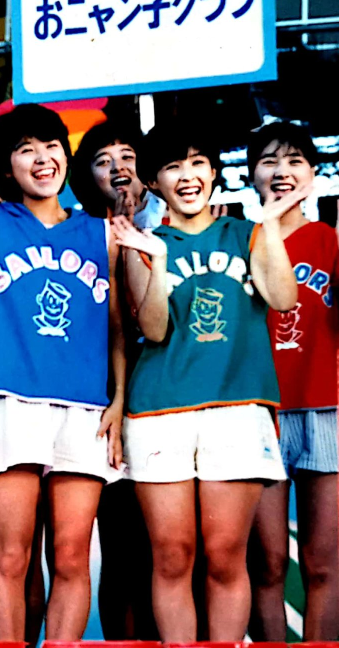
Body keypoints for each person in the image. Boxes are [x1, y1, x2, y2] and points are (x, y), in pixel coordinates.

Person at [0, 104, 125, 641]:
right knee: (9, 555)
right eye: (25, 150)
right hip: (8, 400)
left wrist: (120, 399)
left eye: (52, 145)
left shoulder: (101, 233)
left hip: (84, 405)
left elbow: (116, 328)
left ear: (67, 153)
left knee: (72, 558)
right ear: (7, 167)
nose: (42, 159)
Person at [112, 122, 305, 641]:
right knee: (173, 557)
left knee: (224, 557)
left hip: (237, 410)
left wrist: (270, 225)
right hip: (158, 413)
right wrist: (156, 261)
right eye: (174, 166)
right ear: (154, 182)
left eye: (198, 162)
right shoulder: (144, 242)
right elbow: (153, 328)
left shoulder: (248, 233)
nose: (188, 175)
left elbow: (284, 298)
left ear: (215, 171)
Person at [245, 122, 338, 641]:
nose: (282, 172)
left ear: (313, 172)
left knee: (323, 565)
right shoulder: (242, 239)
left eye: (295, 160)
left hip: (326, 407)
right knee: (269, 564)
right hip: (260, 414)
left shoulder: (329, 238)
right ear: (251, 173)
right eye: (270, 161)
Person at [71, 121, 159, 639]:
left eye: (129, 156)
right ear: (87, 176)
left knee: (166, 552)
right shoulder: (76, 234)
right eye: (105, 159)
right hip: (100, 403)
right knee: (120, 547)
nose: (119, 167)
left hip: (164, 401)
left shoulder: (169, 230)